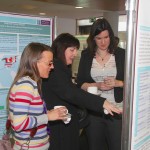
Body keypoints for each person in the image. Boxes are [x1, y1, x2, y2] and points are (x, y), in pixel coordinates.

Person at [42, 33, 122, 150]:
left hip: (63, 123)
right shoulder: (56, 68)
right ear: (61, 49)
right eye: (72, 50)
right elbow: (69, 92)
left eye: (76, 50)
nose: (75, 54)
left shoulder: (61, 67)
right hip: (59, 127)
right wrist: (102, 102)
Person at [8, 42, 68, 150]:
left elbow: (29, 114)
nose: (52, 67)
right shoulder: (25, 86)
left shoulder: (31, 83)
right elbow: (19, 124)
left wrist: (48, 113)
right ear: (35, 63)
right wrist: (48, 117)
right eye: (49, 63)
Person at [76, 18, 125, 150]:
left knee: (116, 146)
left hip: (116, 109)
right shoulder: (86, 55)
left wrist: (118, 83)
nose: (103, 42)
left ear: (111, 35)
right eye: (99, 38)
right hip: (94, 110)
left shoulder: (121, 54)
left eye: (106, 37)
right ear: (93, 39)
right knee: (95, 146)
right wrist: (97, 85)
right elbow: (80, 83)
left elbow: (133, 82)